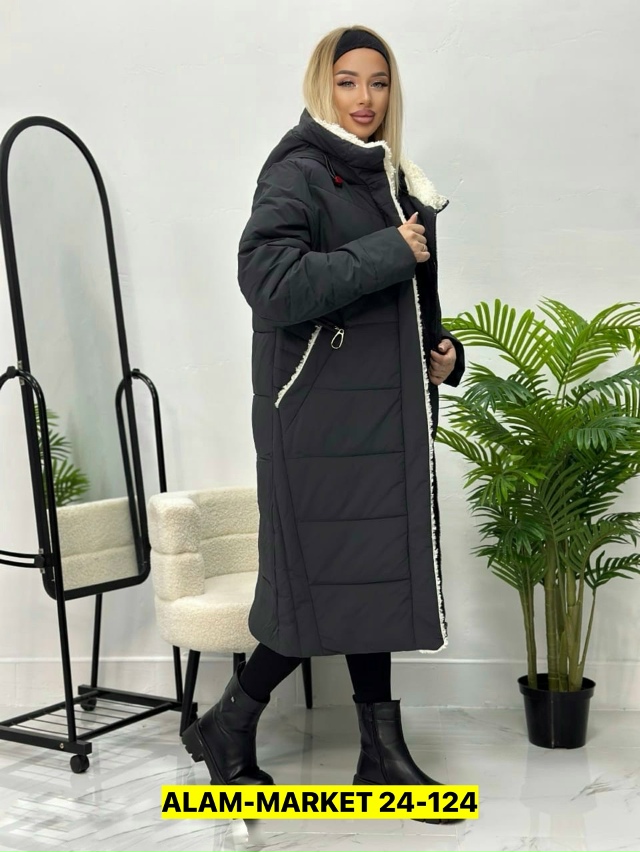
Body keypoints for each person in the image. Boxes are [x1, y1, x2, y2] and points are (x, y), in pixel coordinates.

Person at [182, 25, 466, 825]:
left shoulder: (393, 179)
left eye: (378, 82)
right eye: (347, 81)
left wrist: (445, 355)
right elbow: (268, 282)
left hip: (382, 415)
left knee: (372, 577)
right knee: (318, 585)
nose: (364, 98)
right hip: (316, 422)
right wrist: (389, 249)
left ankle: (380, 755)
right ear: (322, 86)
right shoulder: (299, 169)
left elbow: (411, 304)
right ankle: (230, 721)